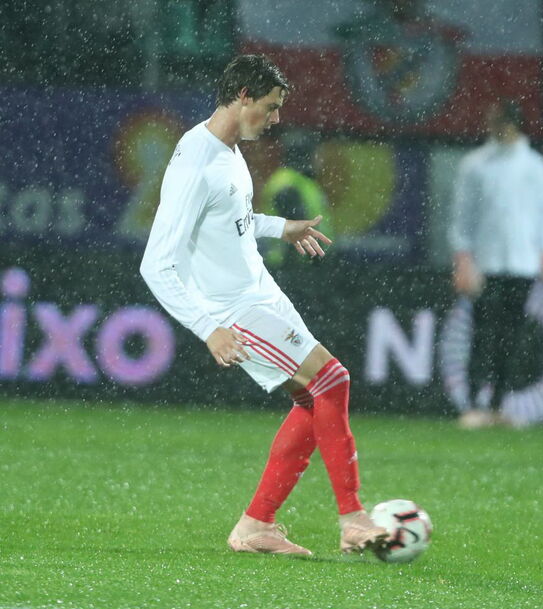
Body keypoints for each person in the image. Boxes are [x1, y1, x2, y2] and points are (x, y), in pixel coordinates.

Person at [139, 54, 388, 554]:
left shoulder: (227, 151)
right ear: (243, 96)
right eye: (271, 107)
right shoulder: (196, 164)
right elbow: (155, 264)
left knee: (314, 398)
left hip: (260, 292)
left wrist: (281, 227)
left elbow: (231, 220)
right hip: (233, 309)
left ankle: (256, 526)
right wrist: (209, 328)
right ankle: (353, 518)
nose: (276, 119)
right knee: (332, 380)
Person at [448, 99, 543, 429]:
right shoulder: (475, 165)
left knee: (511, 338)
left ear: (513, 125)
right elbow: (462, 219)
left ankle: (499, 404)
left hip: (522, 263)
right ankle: (473, 403)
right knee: (482, 334)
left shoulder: (536, 168)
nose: (494, 128)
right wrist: (463, 262)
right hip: (485, 263)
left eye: (499, 122)